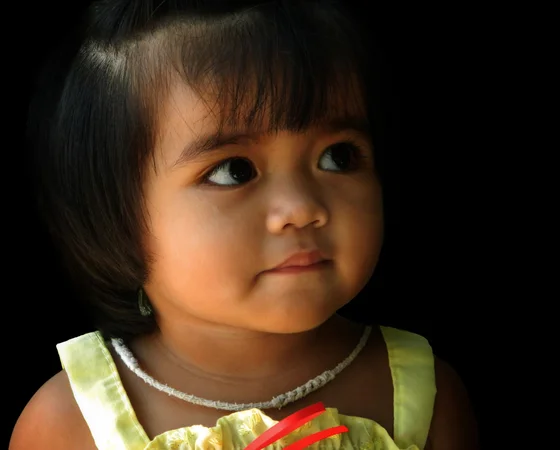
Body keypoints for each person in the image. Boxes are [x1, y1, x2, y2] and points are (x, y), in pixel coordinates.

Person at [10, 1, 478, 449]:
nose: (301, 207)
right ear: (112, 211)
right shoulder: (75, 421)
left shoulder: (422, 396)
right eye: (234, 171)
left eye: (338, 157)